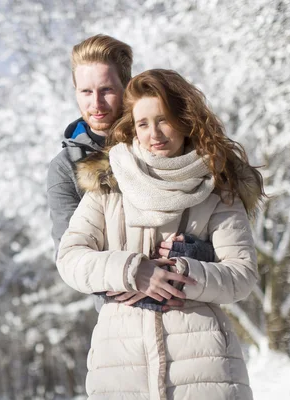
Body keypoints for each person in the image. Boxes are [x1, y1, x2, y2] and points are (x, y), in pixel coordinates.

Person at [56, 69, 264, 399]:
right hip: (120, 369)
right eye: (143, 123)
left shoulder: (218, 189)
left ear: (184, 119)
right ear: (132, 128)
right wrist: (132, 271)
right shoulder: (109, 187)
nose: (155, 133)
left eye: (164, 119)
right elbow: (69, 258)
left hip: (204, 368)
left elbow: (242, 275)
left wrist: (184, 271)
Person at [47, 34, 214, 312]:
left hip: (189, 307)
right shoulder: (66, 167)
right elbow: (71, 257)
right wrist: (135, 275)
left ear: (127, 87)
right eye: (86, 92)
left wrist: (194, 254)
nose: (96, 104)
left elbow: (219, 237)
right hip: (121, 317)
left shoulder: (165, 141)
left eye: (107, 90)